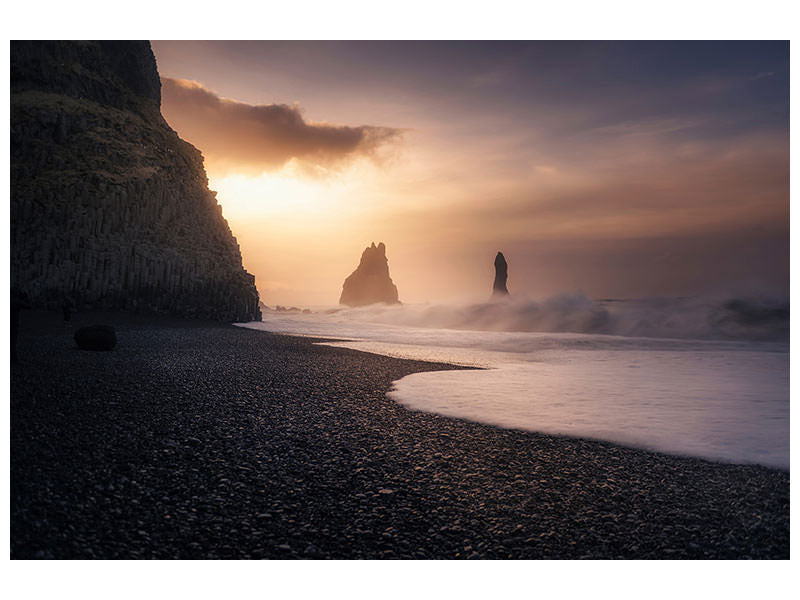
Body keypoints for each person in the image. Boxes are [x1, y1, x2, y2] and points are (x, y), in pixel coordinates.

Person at [11, 287, 31, 364]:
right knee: (12, 341)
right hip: (13, 324)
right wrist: (25, 296)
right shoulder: (17, 302)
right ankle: (13, 359)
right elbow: (28, 306)